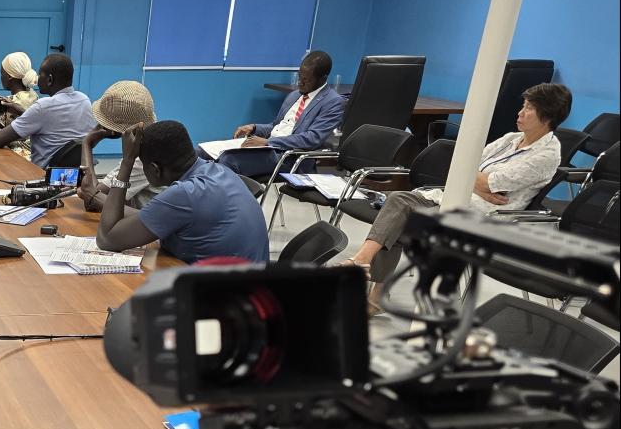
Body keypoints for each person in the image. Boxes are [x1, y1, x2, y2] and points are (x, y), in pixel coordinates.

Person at [337, 84, 571, 309]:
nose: (520, 112)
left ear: (547, 116)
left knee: (402, 220)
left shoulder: (547, 155)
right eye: (523, 105)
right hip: (456, 196)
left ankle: (374, 291)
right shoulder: (510, 139)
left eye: (529, 108)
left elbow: (484, 178)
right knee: (398, 200)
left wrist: (473, 180)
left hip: (485, 216)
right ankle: (362, 260)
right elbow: (461, 165)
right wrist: (477, 184)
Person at [94, 120, 269, 264]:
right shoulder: (219, 171)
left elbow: (106, 240)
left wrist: (127, 161)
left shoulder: (184, 194)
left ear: (155, 169)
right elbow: (152, 216)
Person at [213, 50, 346, 179]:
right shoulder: (294, 95)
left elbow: (312, 139)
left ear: (323, 78)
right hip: (269, 149)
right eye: (300, 76)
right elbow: (276, 126)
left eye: (307, 79)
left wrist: (268, 142)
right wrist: (254, 128)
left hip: (289, 157)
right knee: (206, 153)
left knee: (228, 160)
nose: (300, 82)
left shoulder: (333, 102)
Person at [0, 53, 96, 168]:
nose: (37, 78)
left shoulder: (43, 106)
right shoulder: (84, 100)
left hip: (39, 175)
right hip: (74, 173)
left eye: (40, 74)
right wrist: (23, 111)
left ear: (50, 79)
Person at [77, 80, 157, 211]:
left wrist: (87, 144)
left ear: (114, 129)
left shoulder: (141, 158)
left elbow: (92, 199)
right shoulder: (152, 139)